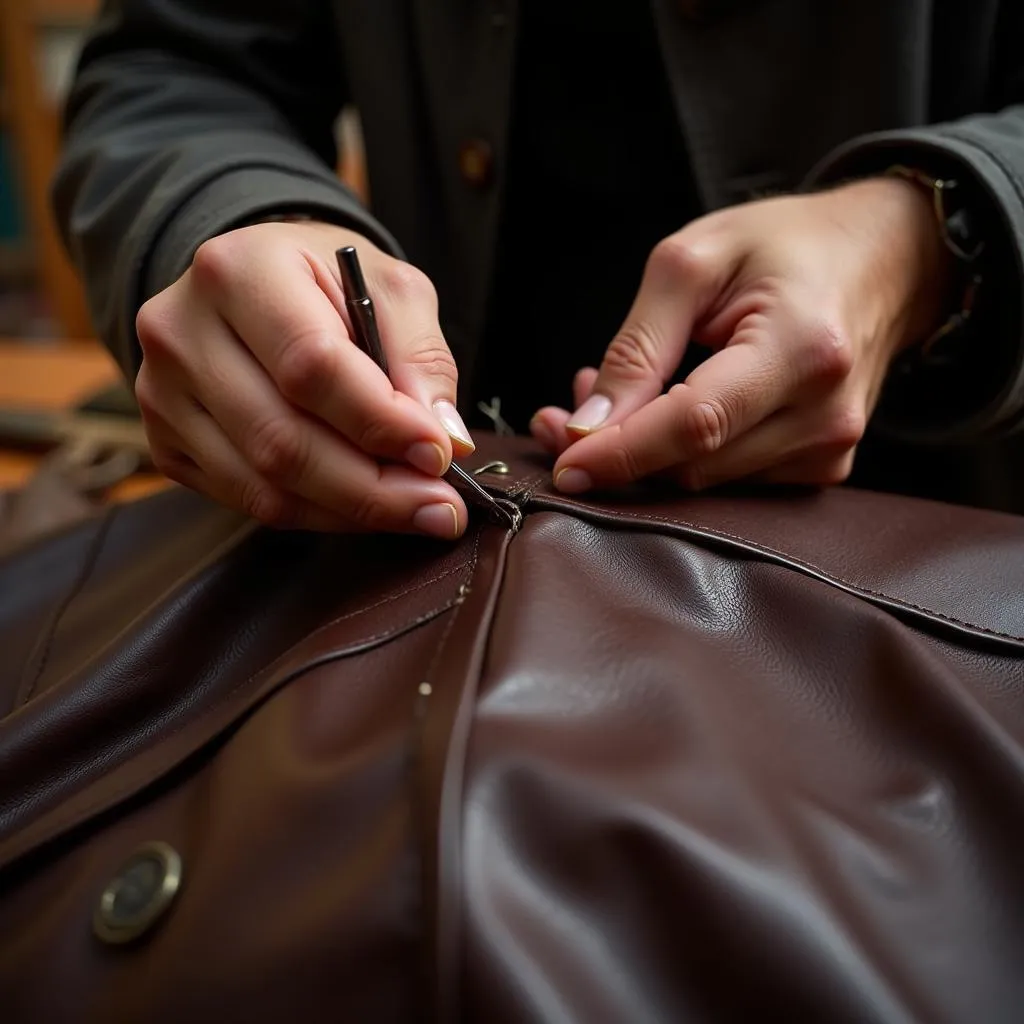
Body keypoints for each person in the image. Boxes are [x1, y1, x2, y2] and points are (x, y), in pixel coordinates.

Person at [53, 1, 1024, 538]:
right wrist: (234, 217)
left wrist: (929, 237)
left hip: (949, 565)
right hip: (388, 562)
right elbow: (175, 67)